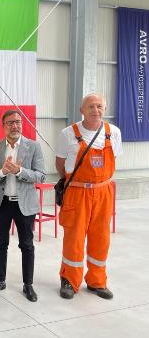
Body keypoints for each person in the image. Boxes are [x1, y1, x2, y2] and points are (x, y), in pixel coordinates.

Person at [56, 93, 122, 300]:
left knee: (101, 238)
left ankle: (97, 281)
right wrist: (76, 183)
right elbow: (60, 164)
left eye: (100, 106)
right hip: (77, 192)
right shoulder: (68, 134)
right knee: (74, 238)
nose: (96, 110)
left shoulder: (114, 132)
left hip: (104, 192)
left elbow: (114, 161)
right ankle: (69, 280)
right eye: (91, 106)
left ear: (105, 108)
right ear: (82, 110)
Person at [0, 110, 45, 302]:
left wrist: (20, 171)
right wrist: (1, 171)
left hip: (24, 205)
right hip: (2, 204)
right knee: (0, 244)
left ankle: (28, 285)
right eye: (10, 123)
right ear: (4, 126)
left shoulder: (33, 147)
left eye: (18, 122)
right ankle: (0, 280)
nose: (15, 126)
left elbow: (41, 176)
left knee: (27, 245)